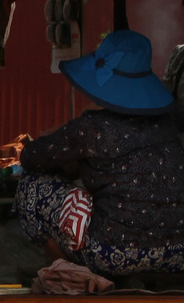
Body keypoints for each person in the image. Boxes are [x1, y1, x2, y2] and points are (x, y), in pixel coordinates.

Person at [16, 29, 184, 275]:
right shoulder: (168, 122)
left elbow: (31, 158)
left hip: (114, 254)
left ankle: (71, 272)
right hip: (178, 253)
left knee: (31, 184)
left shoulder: (91, 128)